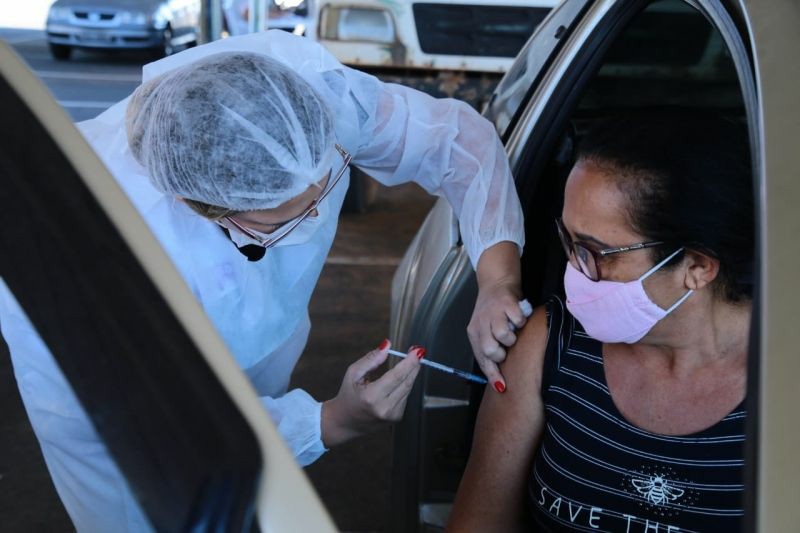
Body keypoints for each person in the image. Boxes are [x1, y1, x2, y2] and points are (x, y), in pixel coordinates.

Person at [0, 30, 526, 531]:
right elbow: (172, 432)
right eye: (281, 222)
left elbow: (456, 143)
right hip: (124, 440)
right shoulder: (103, 256)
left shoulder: (293, 106)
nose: (316, 216)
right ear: (198, 206)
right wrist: (332, 421)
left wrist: (497, 280)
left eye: (325, 185)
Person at [448, 112, 753, 532]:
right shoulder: (550, 344)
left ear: (697, 267)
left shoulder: (782, 394)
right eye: (569, 241)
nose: (573, 269)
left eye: (594, 253)